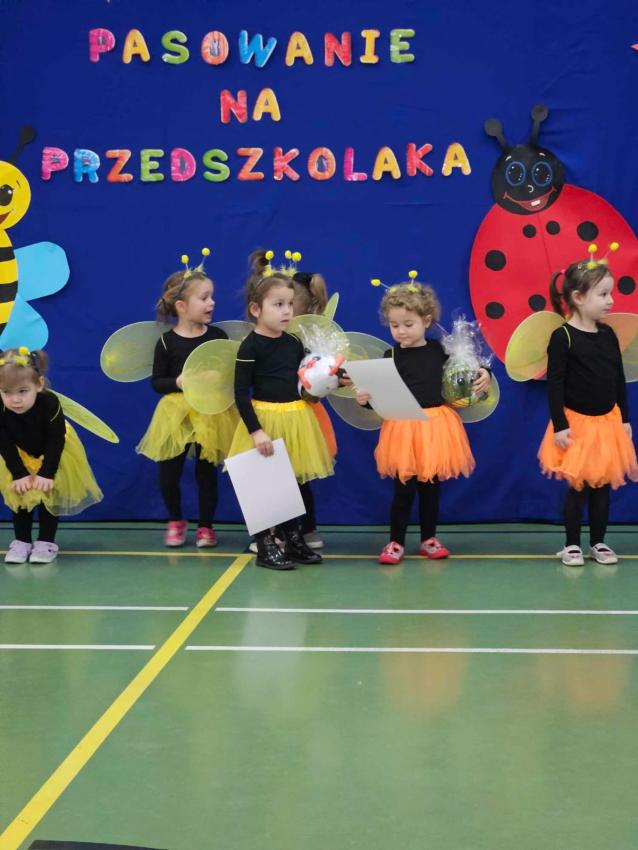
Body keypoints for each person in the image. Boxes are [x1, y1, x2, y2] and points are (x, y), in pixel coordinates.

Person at [356, 276, 490, 565]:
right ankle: (395, 541)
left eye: (408, 324)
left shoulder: (440, 351)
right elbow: (379, 397)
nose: (401, 331)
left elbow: (465, 372)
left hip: (435, 428)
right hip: (402, 429)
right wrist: (365, 398)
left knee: (431, 488)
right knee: (403, 489)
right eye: (394, 325)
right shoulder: (390, 355)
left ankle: (429, 538)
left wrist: (485, 374)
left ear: (426, 320)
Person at [229, 254, 334, 570]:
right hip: (266, 420)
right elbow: (240, 393)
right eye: (278, 305)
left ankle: (293, 539)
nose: (287, 311)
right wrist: (256, 430)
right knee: (265, 487)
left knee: (293, 484)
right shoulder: (250, 347)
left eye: (289, 304)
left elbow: (302, 382)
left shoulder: (292, 343)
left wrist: (328, 378)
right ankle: (264, 545)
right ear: (256, 309)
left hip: (296, 418)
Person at [538, 244, 637, 566]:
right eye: (603, 294)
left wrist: (624, 418)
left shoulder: (607, 335)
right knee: (578, 487)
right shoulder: (563, 337)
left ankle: (598, 542)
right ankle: (571, 544)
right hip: (577, 425)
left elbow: (618, 377)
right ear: (578, 297)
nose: (611, 300)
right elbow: (555, 386)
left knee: (603, 487)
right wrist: (560, 425)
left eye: (611, 293)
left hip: (607, 423)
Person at [136, 252, 238, 547]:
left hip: (209, 412)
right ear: (181, 306)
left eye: (212, 297)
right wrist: (178, 382)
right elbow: (157, 382)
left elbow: (227, 375)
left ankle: (206, 526)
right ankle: (175, 520)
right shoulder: (166, 342)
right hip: (175, 413)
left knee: (207, 473)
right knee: (169, 474)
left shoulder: (217, 336)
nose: (212, 303)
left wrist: (217, 379)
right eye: (204, 298)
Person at [0, 347, 102, 564]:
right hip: (18, 453)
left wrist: (47, 473)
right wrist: (19, 473)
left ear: (39, 384)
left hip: (54, 452)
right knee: (21, 494)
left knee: (49, 493)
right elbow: (3, 442)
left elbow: (56, 440)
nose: (15, 399)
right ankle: (22, 541)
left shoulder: (50, 403)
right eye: (6, 392)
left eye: (23, 391)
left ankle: (46, 541)